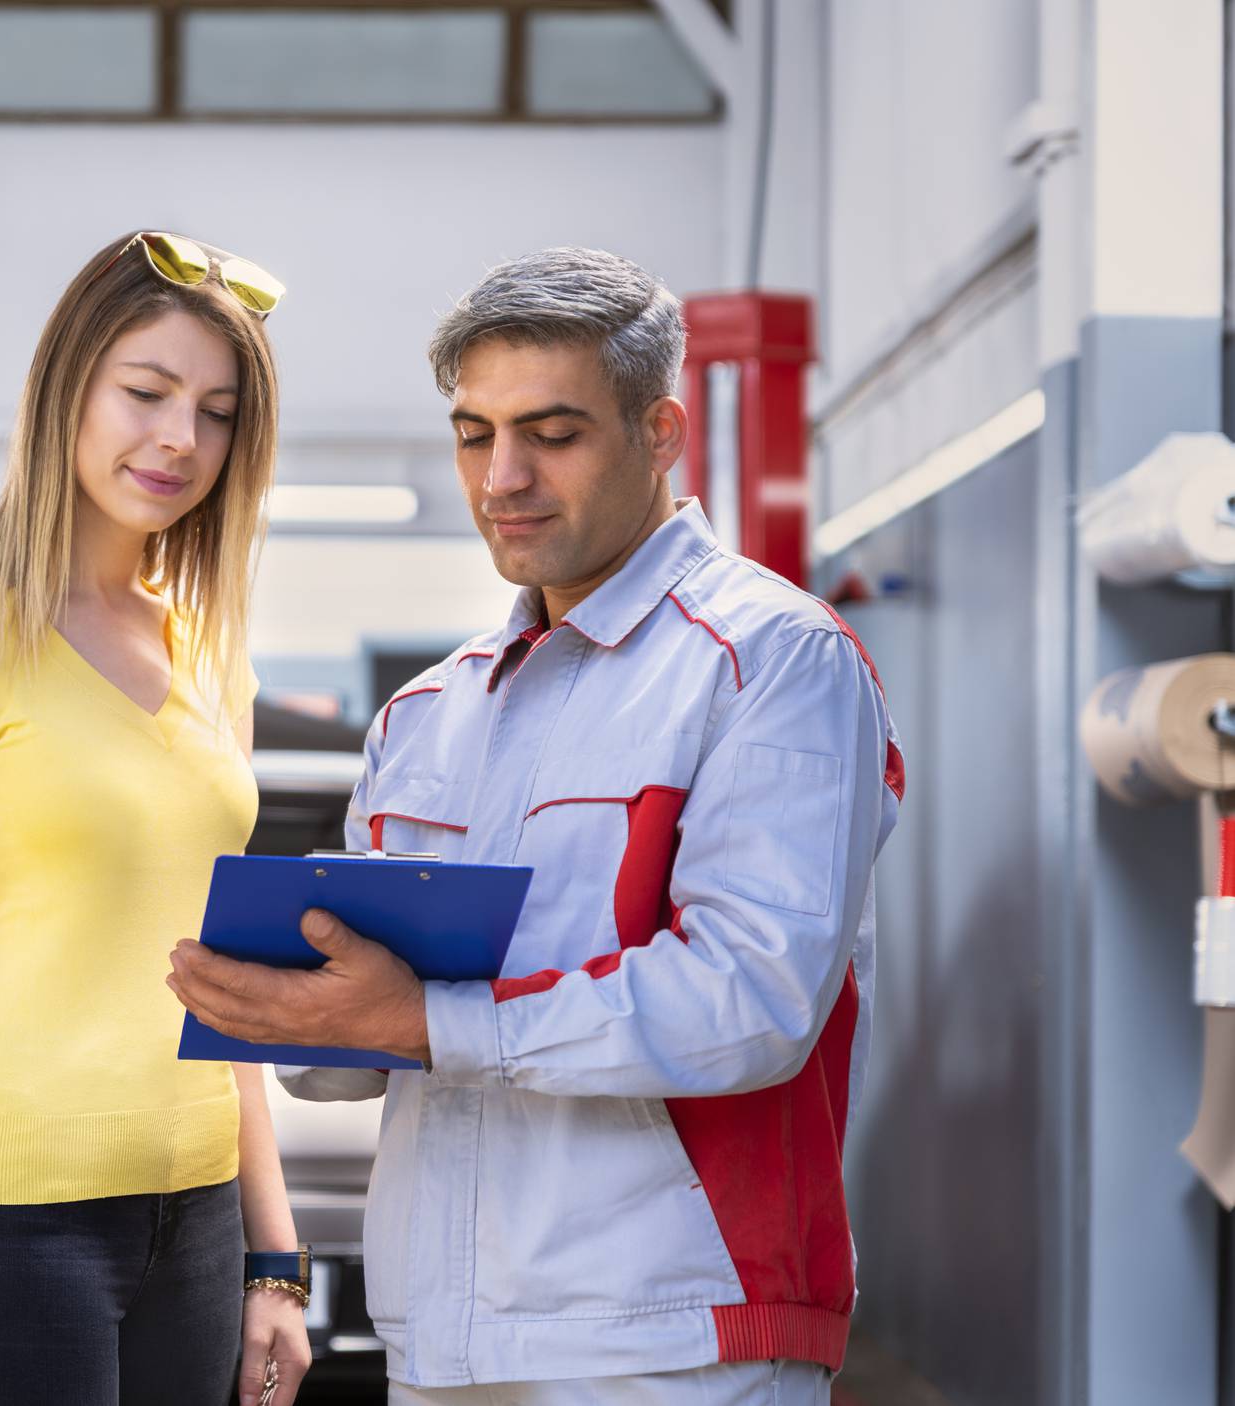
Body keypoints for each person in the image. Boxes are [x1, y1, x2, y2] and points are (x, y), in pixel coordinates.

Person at [167, 246, 904, 1406]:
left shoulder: (774, 660)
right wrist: (301, 1013)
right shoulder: (430, 712)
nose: (502, 474)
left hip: (671, 1337)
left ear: (659, 434)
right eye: (474, 433)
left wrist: (426, 1017)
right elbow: (380, 1049)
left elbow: (752, 999)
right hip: (447, 1334)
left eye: (552, 432)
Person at [0, 230, 312, 1406]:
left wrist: (276, 1257)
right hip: (3, 1221)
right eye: (146, 392)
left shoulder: (211, 659)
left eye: (216, 411)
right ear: (65, 391)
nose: (179, 439)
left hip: (195, 1218)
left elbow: (221, 975)